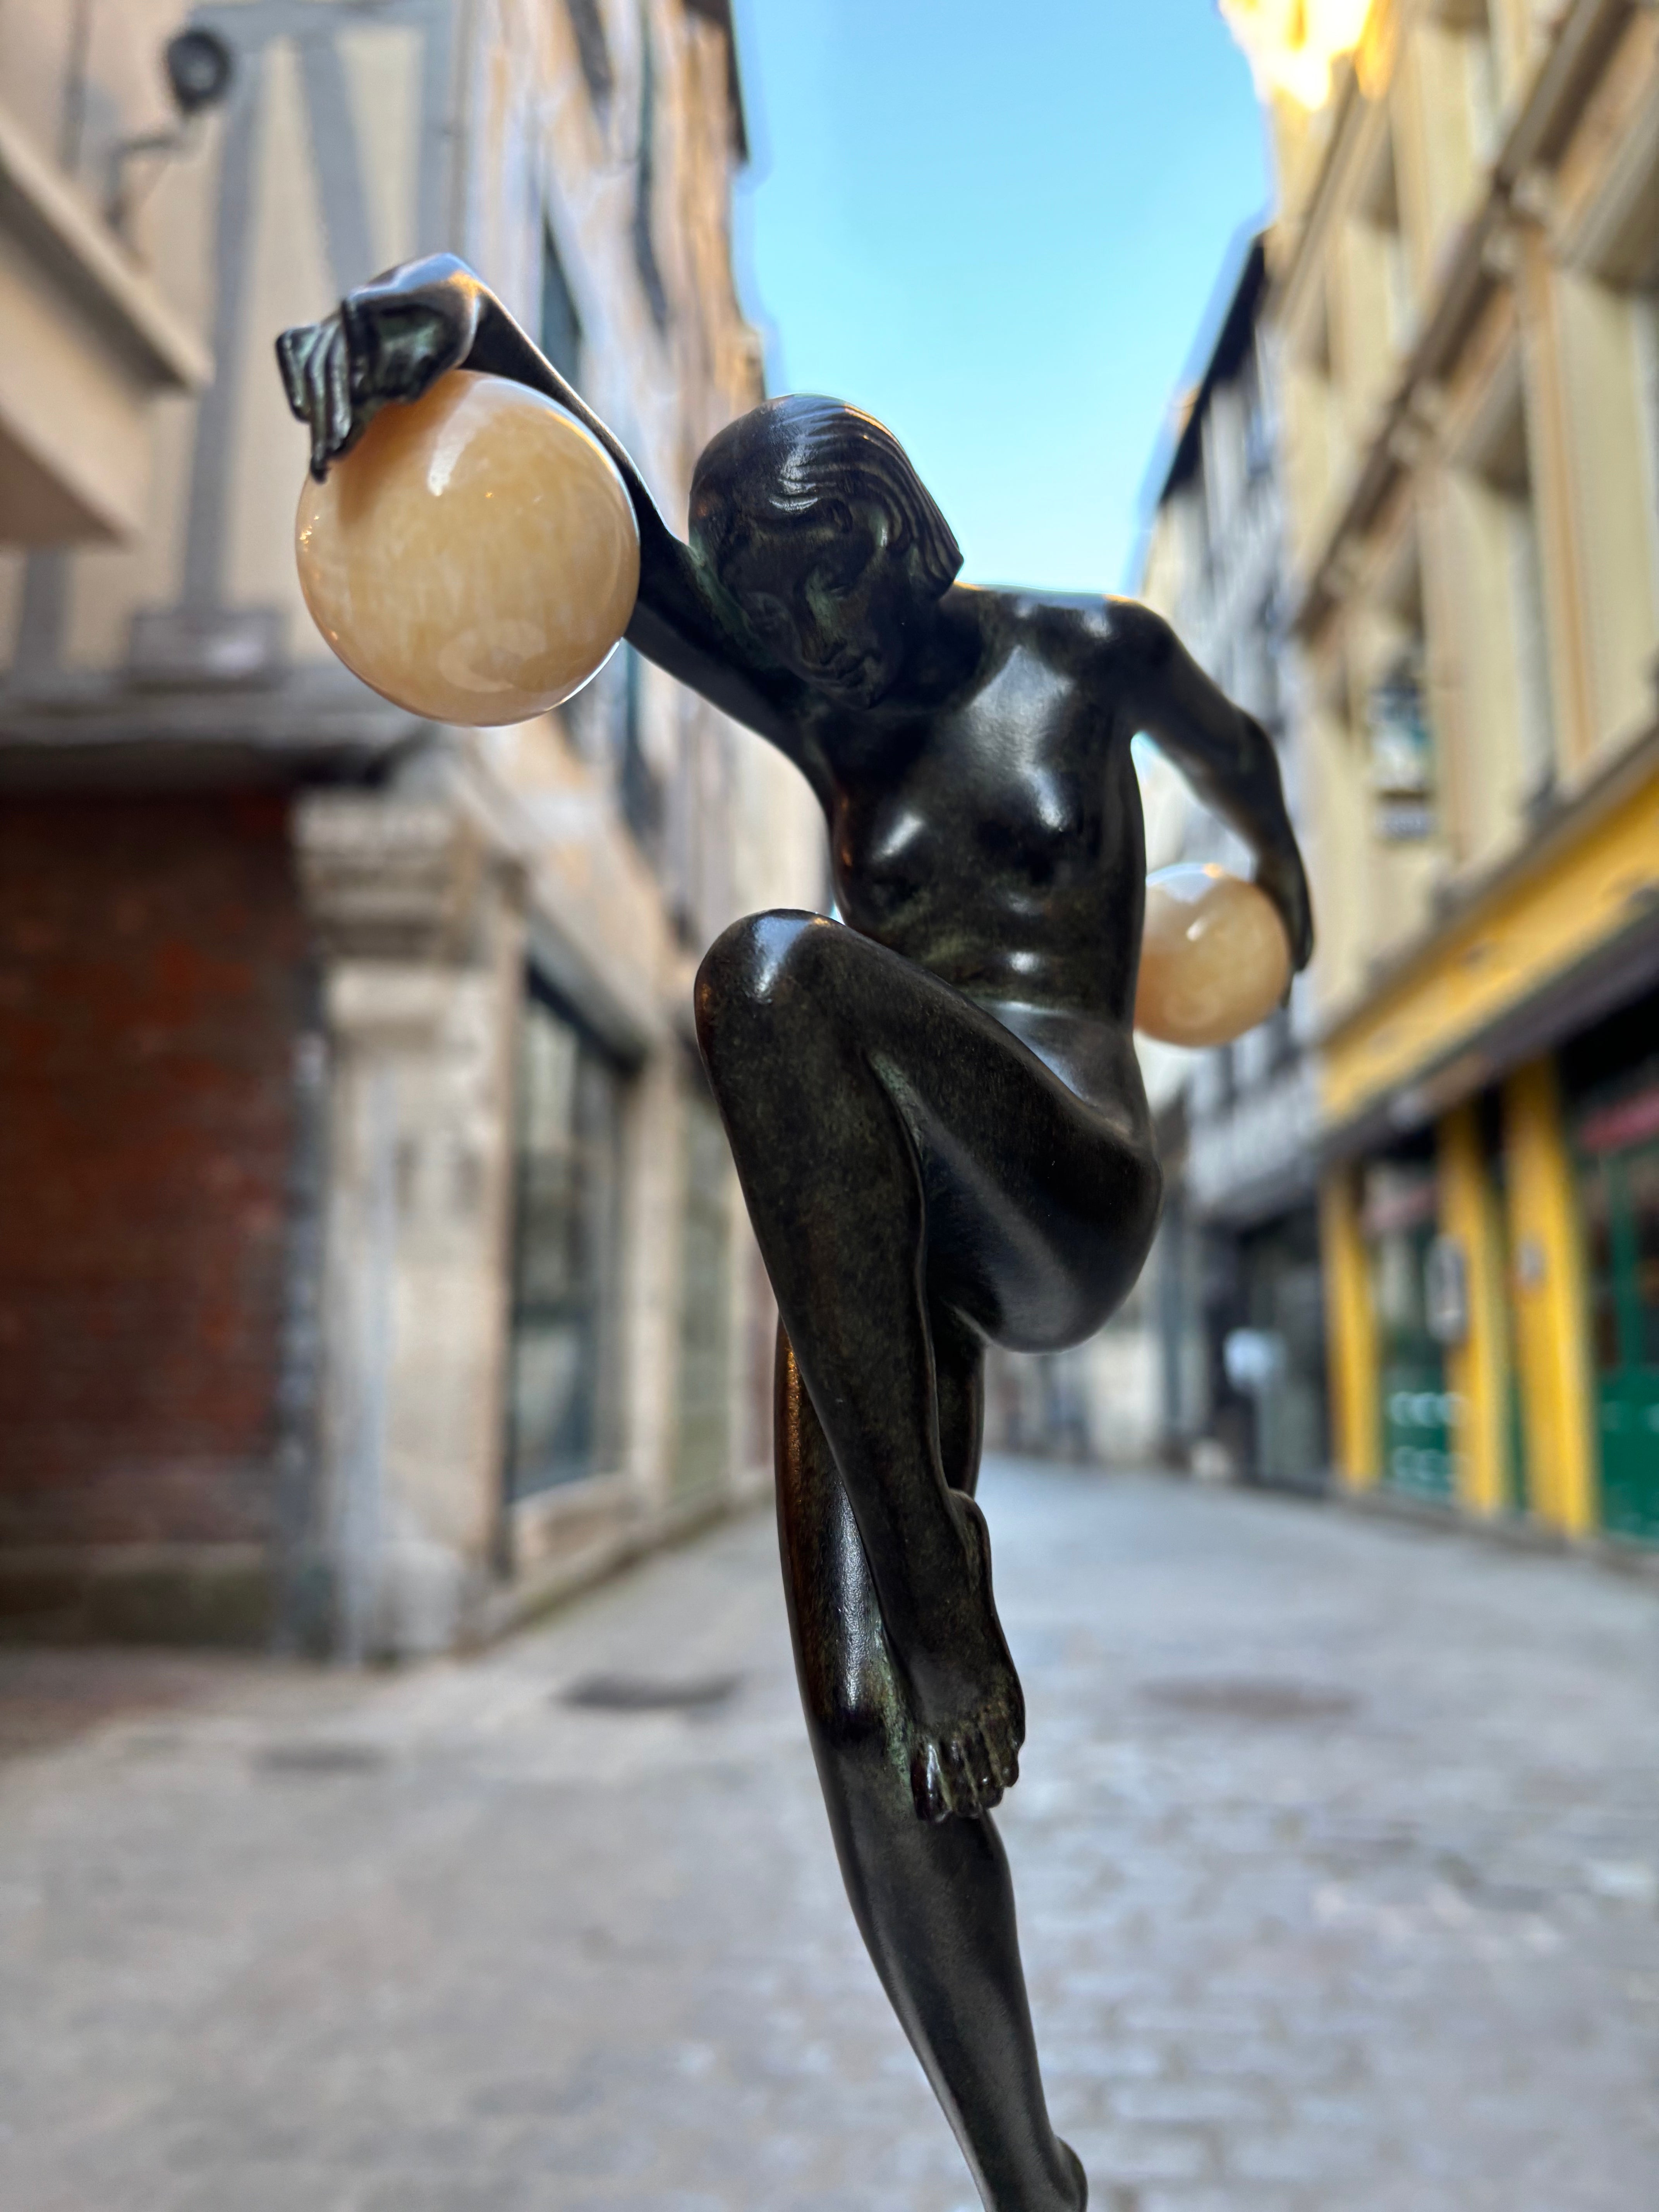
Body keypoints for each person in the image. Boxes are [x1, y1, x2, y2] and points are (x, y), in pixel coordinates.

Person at [280, 258, 1314, 2212]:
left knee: (768, 973)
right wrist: (433, 315)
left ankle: (940, 1579)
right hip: (872, 1224)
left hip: (1060, 1175)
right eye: (767, 617)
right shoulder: (807, 684)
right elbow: (618, 527)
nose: (803, 653)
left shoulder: (1087, 653)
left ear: (910, 539)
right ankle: (1038, 2187)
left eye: (828, 589)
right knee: (873, 1730)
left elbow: (1241, 753)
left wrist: (1279, 903)